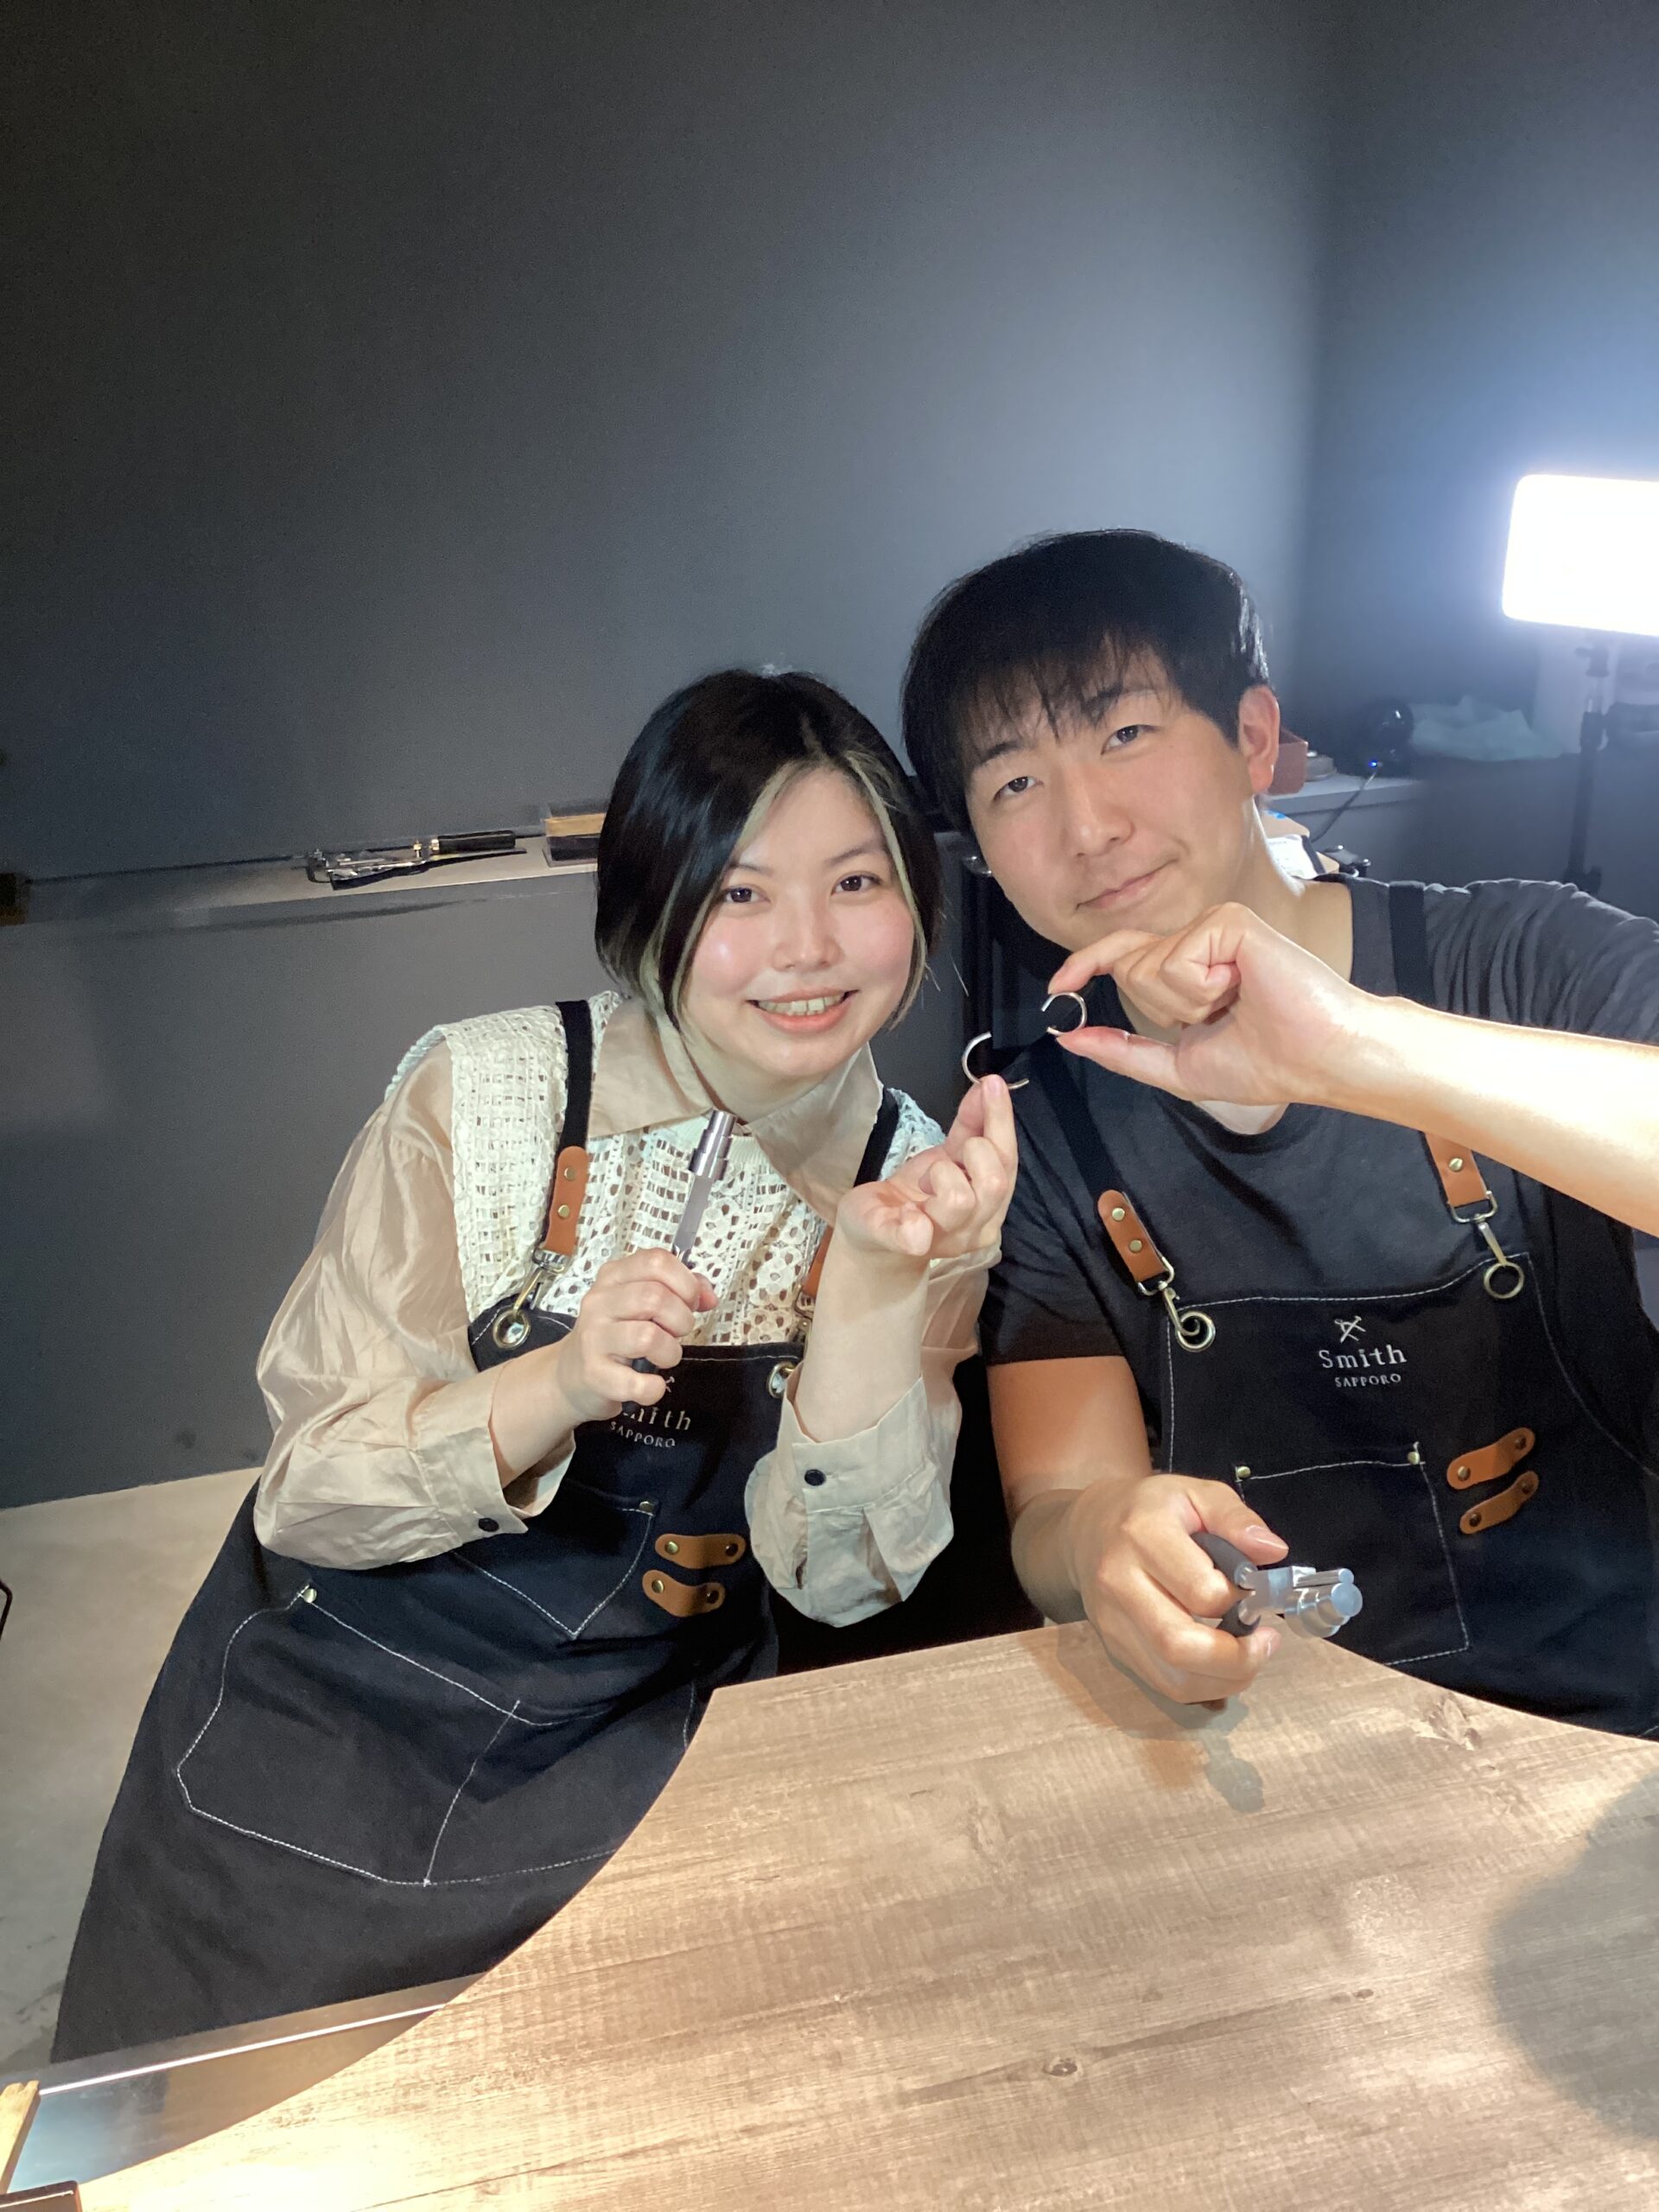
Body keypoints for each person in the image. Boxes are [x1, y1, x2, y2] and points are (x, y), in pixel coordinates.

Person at [54, 669, 1014, 2060]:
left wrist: (872, 1284)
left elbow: (844, 1580)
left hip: (642, 1734)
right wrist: (549, 1388)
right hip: (339, 1705)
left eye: (857, 882)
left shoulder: (924, 1185)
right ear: (650, 906)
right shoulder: (483, 1093)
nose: (807, 947)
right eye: (739, 893)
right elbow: (310, 1491)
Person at [903, 528, 1659, 1733]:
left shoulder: (1520, 958)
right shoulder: (1039, 1124)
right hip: (1272, 1730)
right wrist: (1099, 1536)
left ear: (1255, 738)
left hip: (1608, 1718)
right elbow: (1056, 1509)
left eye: (1124, 734)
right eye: (1014, 784)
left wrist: (1358, 1049)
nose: (1086, 826)